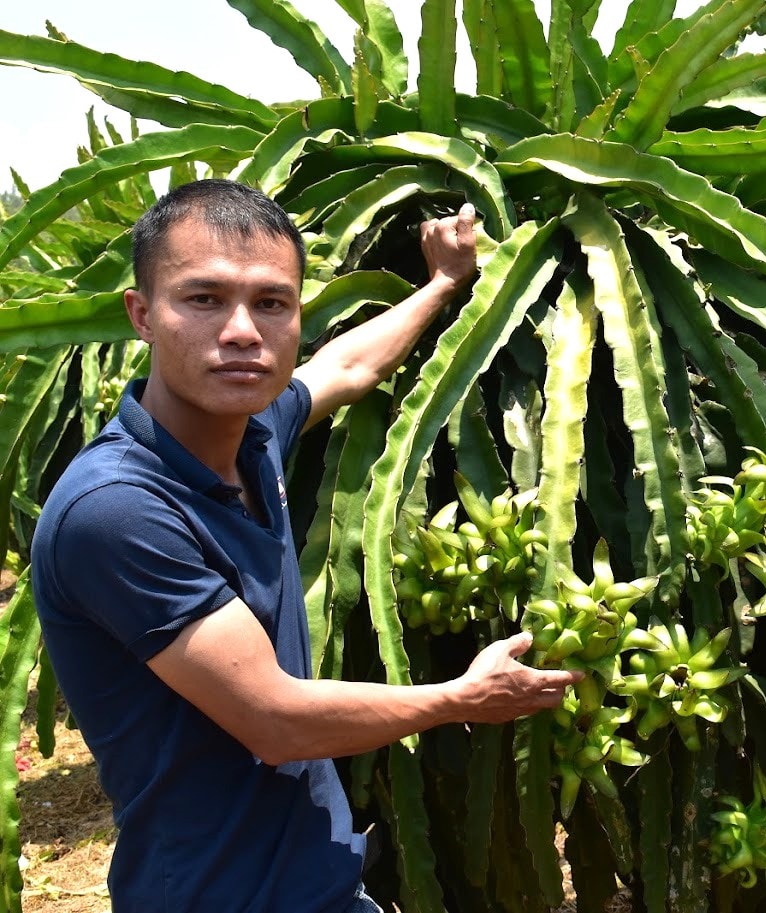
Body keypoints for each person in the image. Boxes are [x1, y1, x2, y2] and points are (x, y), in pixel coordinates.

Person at [29, 179, 580, 913]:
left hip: (315, 880)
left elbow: (348, 368)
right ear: (142, 315)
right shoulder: (119, 509)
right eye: (202, 299)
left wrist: (445, 283)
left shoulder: (252, 435)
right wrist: (460, 699)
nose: (241, 331)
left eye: (271, 303)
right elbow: (276, 721)